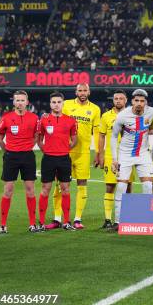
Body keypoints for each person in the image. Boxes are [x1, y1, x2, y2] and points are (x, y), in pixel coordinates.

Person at [49, 84, 100, 230]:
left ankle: (77, 218)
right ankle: (57, 218)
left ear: (89, 92)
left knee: (82, 184)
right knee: (59, 185)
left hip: (83, 153)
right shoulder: (66, 105)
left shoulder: (95, 109)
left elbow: (96, 133)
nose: (82, 93)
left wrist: (98, 152)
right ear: (76, 92)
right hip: (64, 152)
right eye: (80, 90)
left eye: (85, 90)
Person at [110, 89, 153, 231]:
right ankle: (118, 222)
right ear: (132, 101)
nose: (139, 104)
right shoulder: (123, 115)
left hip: (143, 154)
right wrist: (115, 159)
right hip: (125, 155)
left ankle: (147, 220)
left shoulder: (151, 112)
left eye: (142, 101)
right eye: (136, 101)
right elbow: (113, 136)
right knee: (121, 187)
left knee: (148, 186)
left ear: (146, 103)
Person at [0, 90, 40, 234]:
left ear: (27, 102)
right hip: (11, 157)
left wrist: (27, 147)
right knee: (8, 190)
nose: (20, 103)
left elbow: (36, 136)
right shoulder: (7, 118)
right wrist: (8, 151)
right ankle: (3, 225)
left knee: (30, 190)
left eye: (22, 100)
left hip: (27, 156)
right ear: (14, 102)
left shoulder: (34, 118)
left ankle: (32, 224)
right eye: (17, 100)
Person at [37, 92, 78, 231]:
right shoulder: (43, 120)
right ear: (50, 104)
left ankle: (66, 222)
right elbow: (39, 139)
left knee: (65, 189)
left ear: (63, 103)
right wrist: (47, 150)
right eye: (53, 102)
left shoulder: (71, 120)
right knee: (45, 190)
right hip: (48, 158)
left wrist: (65, 149)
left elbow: (74, 140)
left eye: (59, 102)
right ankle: (41, 223)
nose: (56, 104)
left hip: (64, 158)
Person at [96, 90, 132, 229]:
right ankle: (107, 219)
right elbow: (101, 136)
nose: (118, 101)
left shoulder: (132, 115)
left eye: (121, 98)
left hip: (128, 156)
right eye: (116, 98)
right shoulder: (105, 116)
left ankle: (126, 217)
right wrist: (100, 154)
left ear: (126, 100)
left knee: (128, 186)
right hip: (111, 156)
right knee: (110, 186)